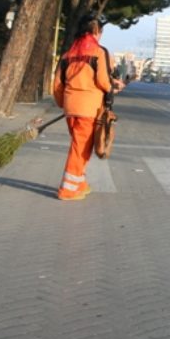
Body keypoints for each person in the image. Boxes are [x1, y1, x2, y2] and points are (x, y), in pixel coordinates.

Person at [52, 13, 125, 201]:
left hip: (71, 108)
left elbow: (57, 84)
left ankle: (80, 184)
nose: (100, 36)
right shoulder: (99, 53)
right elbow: (102, 80)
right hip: (89, 108)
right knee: (80, 149)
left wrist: (64, 104)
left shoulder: (68, 54)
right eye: (100, 32)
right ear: (95, 31)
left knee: (80, 146)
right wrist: (113, 87)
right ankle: (68, 190)